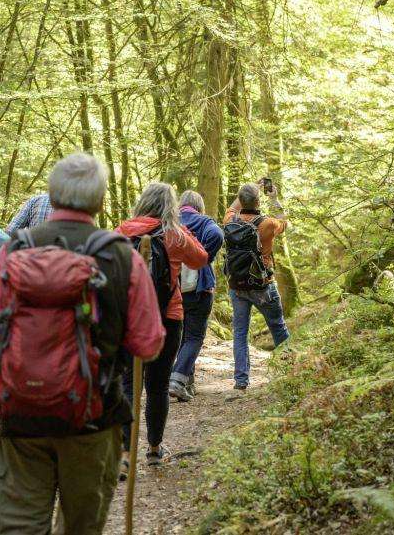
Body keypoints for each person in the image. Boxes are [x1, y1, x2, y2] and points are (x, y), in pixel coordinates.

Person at [0, 153, 165, 535]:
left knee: (19, 527)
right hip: (93, 420)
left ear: (51, 196)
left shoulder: (14, 250)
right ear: (99, 201)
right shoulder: (121, 257)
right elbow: (148, 346)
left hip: (21, 419)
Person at [116, 183, 208, 469]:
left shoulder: (122, 232)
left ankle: (125, 453)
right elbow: (201, 258)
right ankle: (154, 449)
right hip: (167, 318)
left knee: (128, 384)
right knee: (157, 385)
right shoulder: (174, 235)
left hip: (130, 320)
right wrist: (183, 229)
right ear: (170, 207)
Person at [223, 181, 290, 391]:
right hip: (263, 286)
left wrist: (250, 188)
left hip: (237, 286)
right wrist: (274, 198)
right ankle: (291, 371)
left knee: (240, 333)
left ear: (241, 201)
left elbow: (232, 207)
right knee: (278, 327)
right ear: (258, 202)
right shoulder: (267, 224)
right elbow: (284, 222)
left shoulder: (229, 221)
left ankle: (241, 381)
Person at [169, 190, 224, 402]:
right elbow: (217, 235)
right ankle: (177, 380)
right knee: (194, 337)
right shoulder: (204, 222)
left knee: (182, 337)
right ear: (199, 207)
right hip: (199, 290)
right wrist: (204, 257)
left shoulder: (169, 221)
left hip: (173, 289)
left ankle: (186, 383)